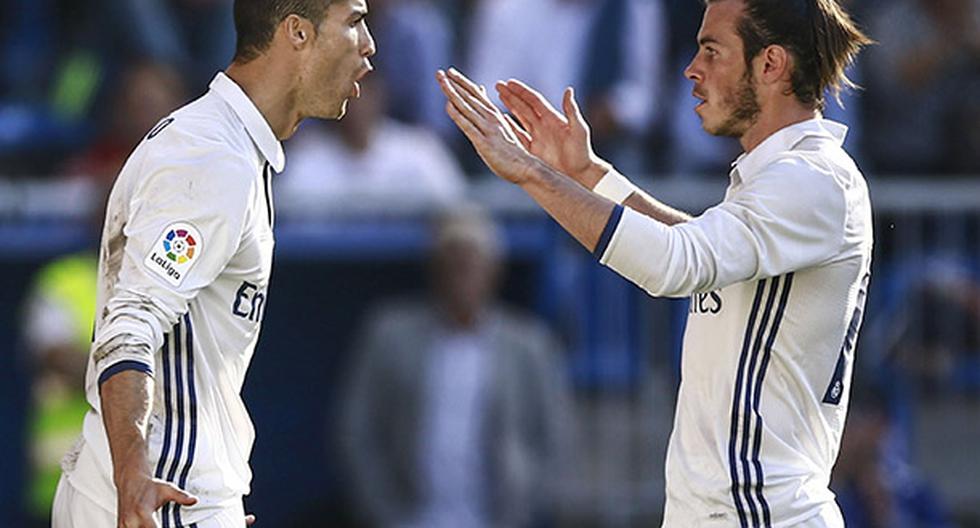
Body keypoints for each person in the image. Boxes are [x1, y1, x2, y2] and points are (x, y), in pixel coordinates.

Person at [435, 0, 873, 525]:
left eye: (712, 50)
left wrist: (531, 175)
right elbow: (691, 244)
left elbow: (675, 263)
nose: (692, 68)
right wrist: (587, 173)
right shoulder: (784, 176)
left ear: (771, 64)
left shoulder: (811, 179)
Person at [51, 0, 376, 526]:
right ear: (297, 32)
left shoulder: (228, 145)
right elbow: (130, 325)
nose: (369, 45)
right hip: (161, 495)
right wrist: (135, 480)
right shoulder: (212, 158)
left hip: (176, 489)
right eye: (355, 22)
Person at [340, 207, 572, 527]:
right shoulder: (390, 334)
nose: (461, 273)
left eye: (471, 262)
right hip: (408, 518)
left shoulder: (529, 345)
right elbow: (358, 427)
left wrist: (524, 502)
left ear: (493, 269)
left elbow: (554, 436)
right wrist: (384, 512)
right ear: (435, 268)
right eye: (452, 262)